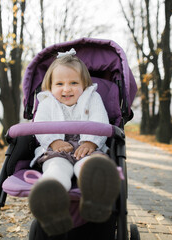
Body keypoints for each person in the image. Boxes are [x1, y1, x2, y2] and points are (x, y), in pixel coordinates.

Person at [28, 48, 121, 236]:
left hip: (87, 148)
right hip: (56, 151)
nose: (67, 88)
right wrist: (53, 141)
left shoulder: (92, 97)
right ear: (50, 86)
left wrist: (91, 142)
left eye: (73, 83)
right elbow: (40, 125)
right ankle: (51, 198)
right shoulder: (46, 102)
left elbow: (99, 120)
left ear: (85, 84)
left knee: (89, 164)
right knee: (56, 168)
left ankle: (96, 193)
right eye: (60, 83)